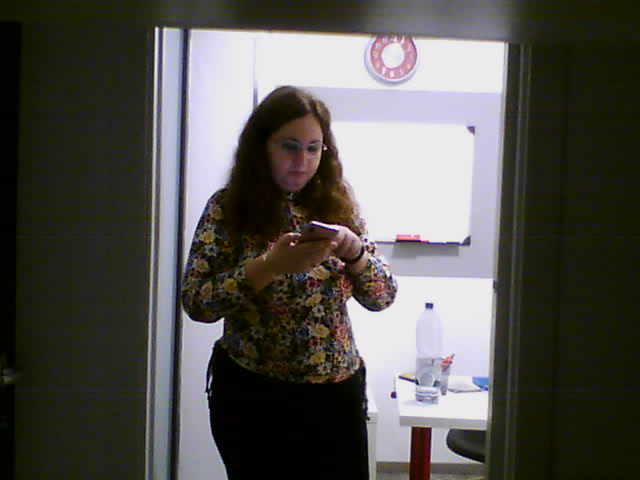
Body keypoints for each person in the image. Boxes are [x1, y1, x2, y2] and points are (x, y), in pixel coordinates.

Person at [181, 85, 397, 480]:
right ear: (261, 146)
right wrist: (269, 266)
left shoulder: (337, 205)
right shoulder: (227, 208)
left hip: (335, 395)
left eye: (314, 148)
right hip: (255, 396)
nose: (302, 162)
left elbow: (383, 296)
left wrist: (355, 253)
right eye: (290, 147)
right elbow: (197, 302)